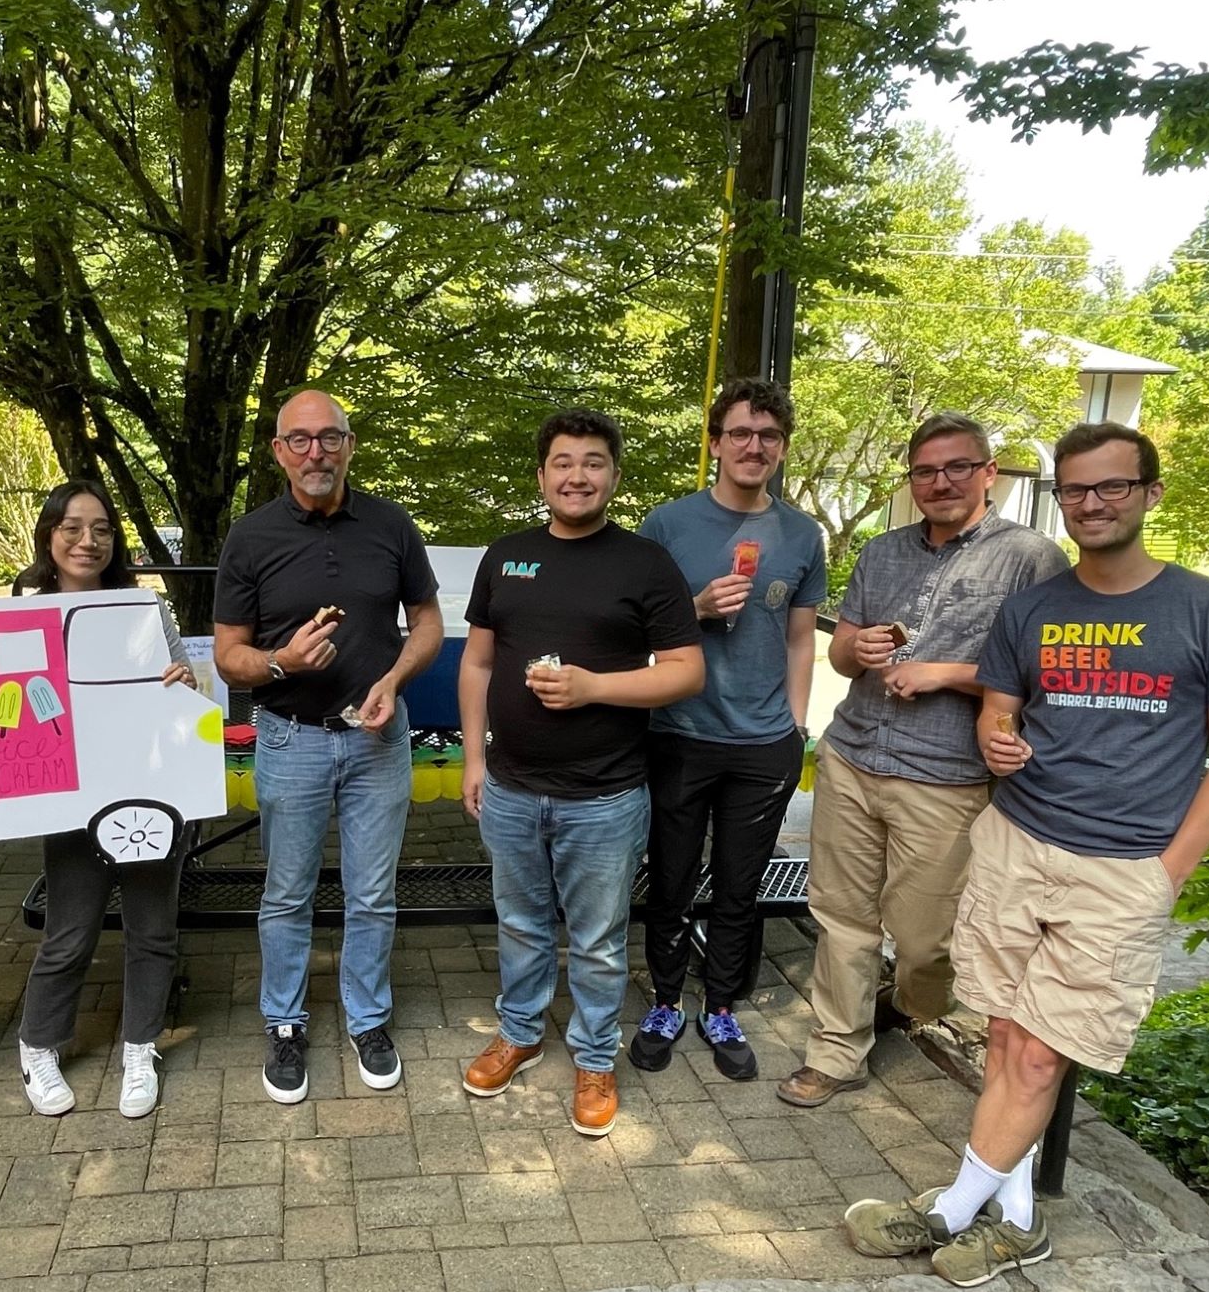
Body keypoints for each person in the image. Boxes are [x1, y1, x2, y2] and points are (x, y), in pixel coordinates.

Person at [843, 421, 1209, 1286]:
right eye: (1077, 488)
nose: (1093, 503)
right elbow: (999, 708)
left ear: (1150, 492)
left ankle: (951, 1209)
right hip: (1017, 842)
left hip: (1123, 867)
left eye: (1113, 486)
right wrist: (997, 742)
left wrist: (1167, 872)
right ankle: (1018, 1222)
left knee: (1043, 1052)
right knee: (1008, 1035)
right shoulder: (1036, 607)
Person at [777, 413, 1070, 1109]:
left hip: (946, 775)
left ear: (988, 472)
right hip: (853, 755)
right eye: (925, 471)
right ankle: (837, 1050)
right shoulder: (882, 552)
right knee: (841, 916)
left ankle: (914, 1004)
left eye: (957, 467)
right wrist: (858, 649)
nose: (940, 482)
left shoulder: (1031, 559)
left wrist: (945, 673)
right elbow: (841, 653)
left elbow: (1046, 672)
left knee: (925, 939)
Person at [459, 408, 704, 1137]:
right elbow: (477, 662)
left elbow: (686, 672)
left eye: (593, 462)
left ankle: (595, 1057)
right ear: (541, 476)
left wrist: (594, 687)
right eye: (563, 463)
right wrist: (473, 758)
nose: (577, 476)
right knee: (520, 924)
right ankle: (521, 1032)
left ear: (614, 476)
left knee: (597, 940)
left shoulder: (645, 563)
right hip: (510, 787)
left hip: (605, 796)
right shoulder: (506, 556)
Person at [213, 389, 443, 1104]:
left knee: (372, 893)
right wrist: (282, 662)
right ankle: (284, 1022)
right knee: (287, 893)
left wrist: (395, 679)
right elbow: (228, 657)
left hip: (378, 739)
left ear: (349, 445)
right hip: (291, 738)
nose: (317, 452)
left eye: (330, 437)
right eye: (301, 440)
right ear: (279, 452)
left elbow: (428, 623)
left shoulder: (391, 524)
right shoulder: (250, 536)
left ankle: (367, 1019)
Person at [629, 377, 825, 1081]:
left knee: (742, 887)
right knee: (671, 879)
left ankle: (720, 1005)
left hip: (764, 743)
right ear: (715, 443)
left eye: (768, 436)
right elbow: (632, 630)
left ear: (782, 449)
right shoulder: (667, 525)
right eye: (739, 432)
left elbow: (801, 638)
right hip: (678, 732)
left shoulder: (801, 534)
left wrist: (795, 726)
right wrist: (695, 608)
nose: (753, 446)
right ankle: (665, 1001)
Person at [11, 481, 196, 1120]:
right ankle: (38, 1045)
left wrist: (182, 681)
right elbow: (11, 709)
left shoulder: (145, 609)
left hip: (148, 787)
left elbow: (187, 691)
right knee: (69, 929)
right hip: (69, 795)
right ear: (49, 536)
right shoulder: (26, 614)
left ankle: (140, 1047)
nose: (87, 541)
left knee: (153, 927)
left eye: (101, 529)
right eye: (71, 527)